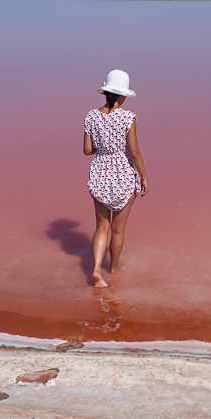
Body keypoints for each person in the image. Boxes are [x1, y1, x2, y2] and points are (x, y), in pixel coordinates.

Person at [83, 69, 148, 288]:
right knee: (118, 230)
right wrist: (144, 176)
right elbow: (135, 152)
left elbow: (87, 150)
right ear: (122, 95)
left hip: (100, 172)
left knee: (101, 227)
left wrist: (103, 144)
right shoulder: (128, 117)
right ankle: (112, 271)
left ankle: (94, 270)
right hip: (123, 173)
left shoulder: (91, 116)